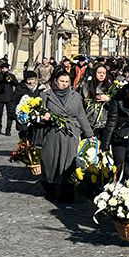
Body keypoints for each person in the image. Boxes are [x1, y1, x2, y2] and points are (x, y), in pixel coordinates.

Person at [37, 69, 95, 202]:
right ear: (55, 82)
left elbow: (81, 116)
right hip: (52, 133)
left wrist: (89, 134)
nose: (64, 84)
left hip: (71, 134)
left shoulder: (76, 96)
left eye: (67, 81)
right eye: (61, 81)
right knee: (50, 161)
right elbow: (37, 114)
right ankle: (50, 187)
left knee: (69, 162)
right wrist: (42, 117)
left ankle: (67, 192)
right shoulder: (45, 96)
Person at [79, 63, 112, 139]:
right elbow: (81, 106)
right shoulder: (86, 86)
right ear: (94, 73)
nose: (101, 75)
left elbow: (116, 107)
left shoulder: (110, 87)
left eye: (104, 73)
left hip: (105, 125)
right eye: (99, 73)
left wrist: (108, 99)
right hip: (89, 124)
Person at [13, 70, 44, 142]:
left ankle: (31, 149)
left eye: (33, 79)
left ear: (36, 79)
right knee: (24, 131)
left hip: (36, 115)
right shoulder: (20, 87)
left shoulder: (40, 88)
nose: (31, 82)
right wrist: (13, 113)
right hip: (23, 114)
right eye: (29, 80)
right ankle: (24, 147)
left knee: (34, 133)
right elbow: (14, 100)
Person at [0, 62, 19, 135]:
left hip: (9, 97)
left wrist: (11, 80)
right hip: (0, 97)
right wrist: (2, 79)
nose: (5, 69)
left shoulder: (11, 75)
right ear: (1, 69)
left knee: (10, 114)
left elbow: (17, 84)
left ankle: (8, 130)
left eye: (6, 68)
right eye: (3, 68)